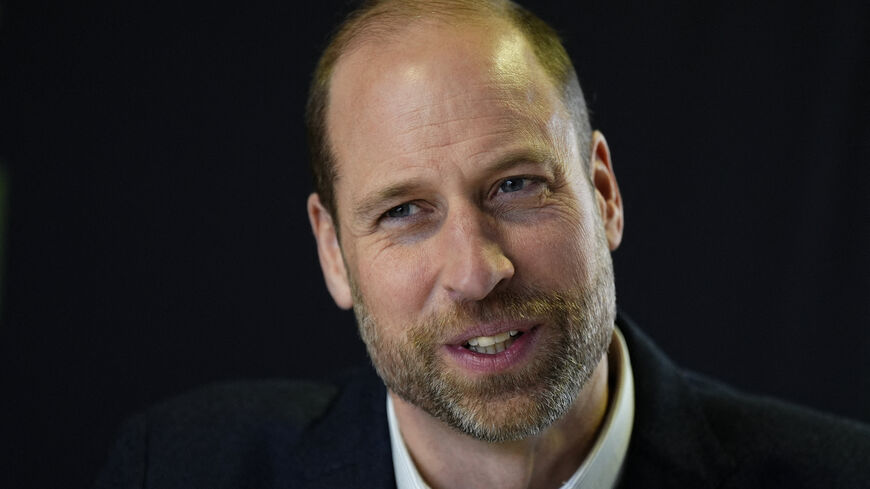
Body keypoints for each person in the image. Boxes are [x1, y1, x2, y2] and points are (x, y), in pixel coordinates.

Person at [94, 1, 870, 488]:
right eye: (403, 211)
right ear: (333, 252)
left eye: (515, 186)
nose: (475, 271)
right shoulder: (178, 468)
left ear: (603, 193)